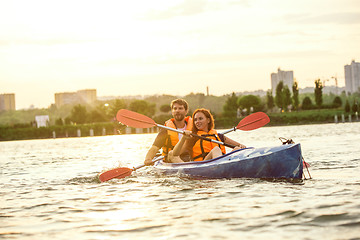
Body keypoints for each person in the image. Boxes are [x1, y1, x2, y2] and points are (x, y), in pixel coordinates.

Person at [168, 108, 246, 163]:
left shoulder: (218, 136)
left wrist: (241, 147)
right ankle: (221, 167)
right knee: (216, 149)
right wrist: (184, 138)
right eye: (195, 120)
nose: (197, 122)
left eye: (200, 119)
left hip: (221, 162)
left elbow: (240, 146)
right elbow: (175, 154)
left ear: (208, 120)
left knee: (237, 149)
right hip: (203, 165)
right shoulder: (193, 137)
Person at [144, 99, 192, 165]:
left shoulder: (193, 127)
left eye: (180, 108)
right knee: (172, 153)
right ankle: (187, 169)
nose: (177, 111)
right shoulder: (166, 129)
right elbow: (155, 147)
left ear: (186, 111)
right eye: (175, 109)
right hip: (170, 158)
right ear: (172, 112)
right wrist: (148, 159)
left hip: (189, 157)